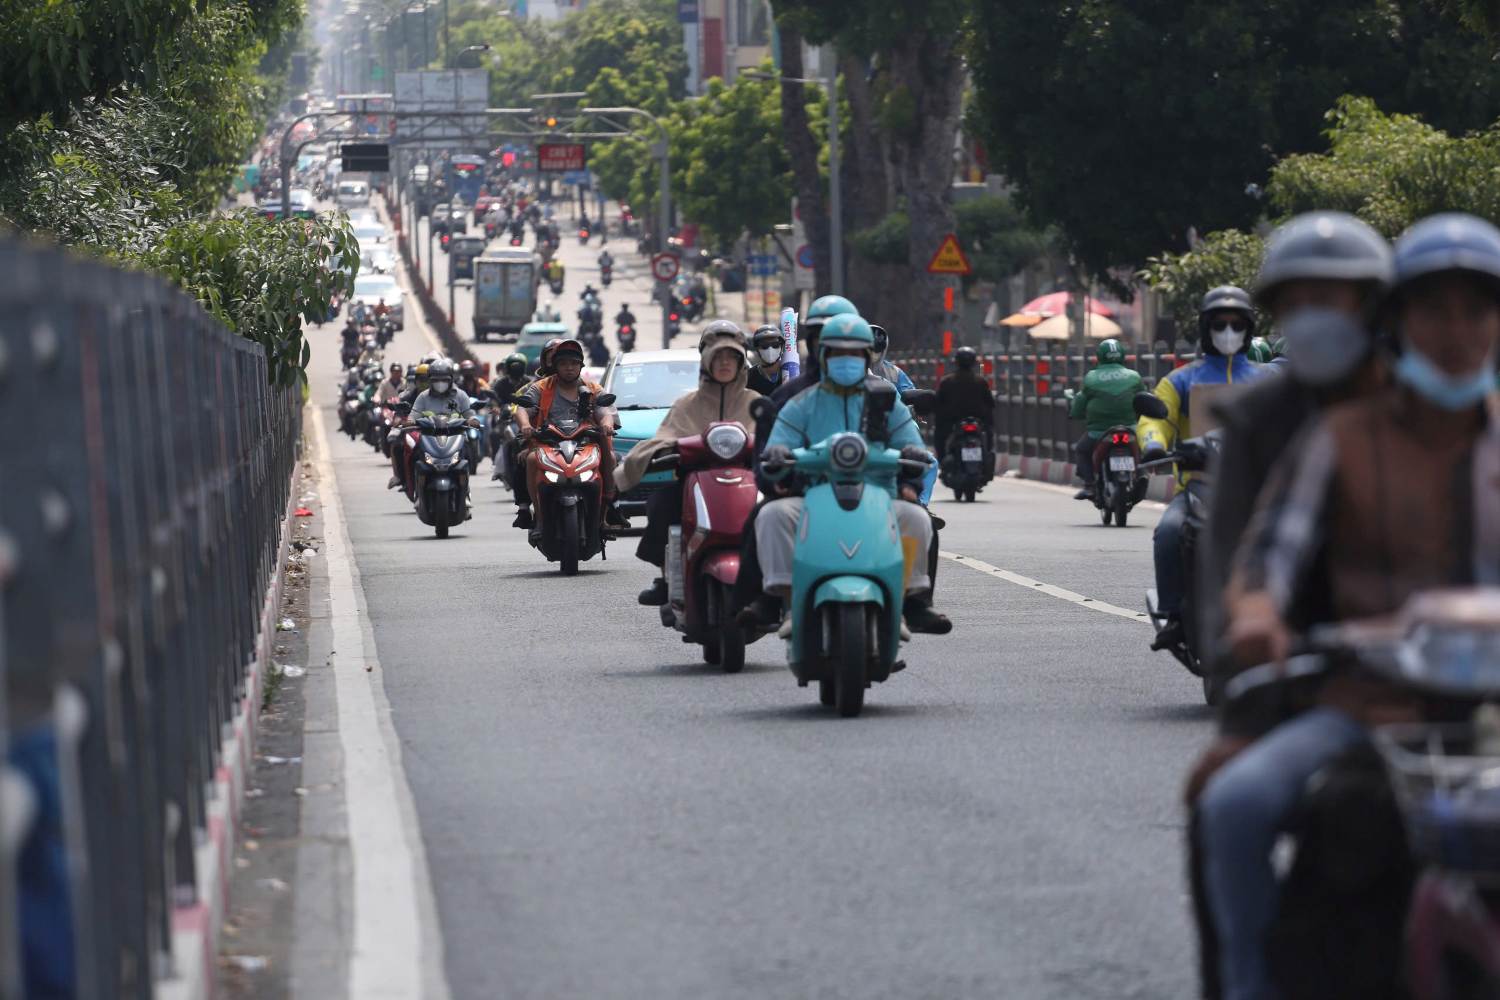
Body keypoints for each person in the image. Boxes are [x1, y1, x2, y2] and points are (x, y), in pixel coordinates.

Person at [1197, 212, 1500, 1000]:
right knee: (1232, 803)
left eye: (1478, 310)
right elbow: (1263, 559)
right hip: (1364, 700)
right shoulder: (1335, 435)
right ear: (1403, 319)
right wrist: (1256, 618)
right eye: (1436, 310)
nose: (1457, 332)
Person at [1181, 211, 1396, 999]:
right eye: (1301, 300)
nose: (1320, 317)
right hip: (1313, 682)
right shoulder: (1266, 423)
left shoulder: (1438, 414)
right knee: (1225, 808)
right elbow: (1240, 559)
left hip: (1453, 682)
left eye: (1338, 299)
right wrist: (1248, 667)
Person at [756, 314, 951, 634]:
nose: (846, 360)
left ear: (866, 355)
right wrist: (778, 459)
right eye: (837, 352)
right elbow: (779, 443)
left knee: (918, 518)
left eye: (854, 352)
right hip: (811, 493)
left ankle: (915, 602)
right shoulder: (800, 401)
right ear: (823, 355)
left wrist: (911, 481)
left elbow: (911, 444)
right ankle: (782, 598)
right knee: (771, 515)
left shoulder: (887, 398)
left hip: (880, 494)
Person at [1139, 286, 1263, 651]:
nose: (1228, 331)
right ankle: (1174, 615)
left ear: (1248, 328)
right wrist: (1153, 443)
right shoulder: (1182, 379)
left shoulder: (1266, 380)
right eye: (1220, 323)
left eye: (1236, 324)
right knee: (1168, 533)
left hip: (1257, 487)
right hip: (1198, 487)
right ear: (1206, 328)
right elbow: (1153, 417)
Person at [619, 322, 760, 605]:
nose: (724, 363)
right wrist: (648, 458)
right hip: (694, 484)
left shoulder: (755, 402)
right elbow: (664, 438)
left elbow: (774, 439)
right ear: (706, 361)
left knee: (772, 516)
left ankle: (770, 584)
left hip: (747, 484)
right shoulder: (686, 405)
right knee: (660, 504)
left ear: (741, 361)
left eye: (731, 357)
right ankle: (667, 577)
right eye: (717, 357)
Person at [513, 339, 626, 532]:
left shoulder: (593, 389)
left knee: (611, 456)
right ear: (555, 366)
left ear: (580, 366)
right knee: (531, 459)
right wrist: (524, 425)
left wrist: (606, 424)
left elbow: (605, 411)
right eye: (564, 364)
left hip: (586, 442)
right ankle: (539, 516)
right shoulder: (540, 387)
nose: (569, 368)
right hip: (549, 443)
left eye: (573, 364)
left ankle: (607, 509)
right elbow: (523, 409)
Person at [1067, 339, 1144, 499]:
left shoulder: (1091, 378)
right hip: (1130, 428)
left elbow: (1080, 405)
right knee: (1145, 446)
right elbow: (1145, 399)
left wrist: (1075, 413)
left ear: (1099, 356)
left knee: (1082, 450)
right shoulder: (1134, 377)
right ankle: (1142, 473)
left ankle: (1089, 486)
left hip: (1098, 431)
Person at [934, 346, 995, 456]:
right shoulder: (981, 381)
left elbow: (938, 403)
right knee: (989, 434)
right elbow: (990, 403)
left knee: (939, 435)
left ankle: (942, 460)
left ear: (956, 361)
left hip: (952, 421)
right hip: (977, 421)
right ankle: (988, 454)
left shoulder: (947, 381)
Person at [746, 324, 786, 395]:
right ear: (757, 349)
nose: (770, 349)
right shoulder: (748, 378)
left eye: (775, 345)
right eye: (764, 346)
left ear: (781, 347)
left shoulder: (790, 373)